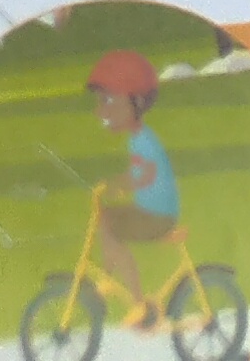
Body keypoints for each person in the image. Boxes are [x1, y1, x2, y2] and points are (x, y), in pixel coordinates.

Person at [83, 45, 184, 327]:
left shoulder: (144, 140)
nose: (101, 110)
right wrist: (120, 184)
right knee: (106, 218)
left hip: (158, 217)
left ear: (136, 102)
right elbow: (141, 172)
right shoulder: (137, 137)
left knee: (114, 231)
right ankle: (107, 277)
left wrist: (120, 184)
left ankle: (138, 304)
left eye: (109, 101)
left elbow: (147, 175)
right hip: (150, 211)